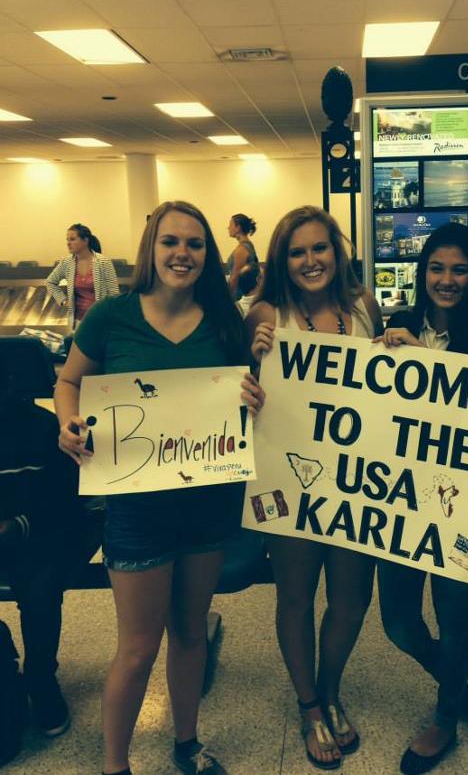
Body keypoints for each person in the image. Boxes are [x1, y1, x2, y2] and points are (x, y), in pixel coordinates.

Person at [54, 201, 265, 775]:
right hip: (136, 506)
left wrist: (253, 396)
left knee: (191, 633)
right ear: (151, 247)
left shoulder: (223, 323)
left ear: (208, 253)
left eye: (195, 244)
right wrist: (66, 423)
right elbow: (69, 380)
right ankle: (115, 765)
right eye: (171, 241)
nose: (183, 254)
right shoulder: (112, 317)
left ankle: (186, 744)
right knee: (138, 645)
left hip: (207, 505)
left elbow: (247, 402)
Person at [375, 223, 468, 775]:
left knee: (454, 615)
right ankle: (452, 682)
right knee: (398, 623)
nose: (447, 280)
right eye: (437, 268)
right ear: (422, 273)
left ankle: (445, 717)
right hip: (399, 503)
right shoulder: (398, 327)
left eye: (460, 270)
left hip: (461, 505)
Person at [247, 206, 383, 771]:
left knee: (352, 598)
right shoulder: (264, 313)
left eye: (320, 249)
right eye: (297, 252)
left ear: (337, 251)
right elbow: (235, 387)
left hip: (357, 481)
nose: (310, 261)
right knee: (297, 596)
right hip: (290, 478)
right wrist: (248, 365)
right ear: (283, 260)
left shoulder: (364, 308)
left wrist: (397, 352)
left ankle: (330, 688)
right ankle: (309, 705)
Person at [0, 366, 102, 740]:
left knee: (40, 588)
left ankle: (40, 676)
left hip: (40, 531)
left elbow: (68, 502)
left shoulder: (41, 429)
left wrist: (18, 526)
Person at [45, 223, 120, 329]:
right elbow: (50, 281)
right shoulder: (67, 262)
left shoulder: (103, 261)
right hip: (77, 322)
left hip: (101, 321)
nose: (68, 243)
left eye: (72, 239)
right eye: (67, 240)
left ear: (85, 241)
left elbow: (114, 294)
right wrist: (63, 300)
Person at [226, 213, 259, 300]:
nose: (228, 228)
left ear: (238, 228)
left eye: (230, 225)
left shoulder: (242, 249)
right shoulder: (247, 245)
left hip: (239, 298)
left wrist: (226, 299)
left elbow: (234, 278)